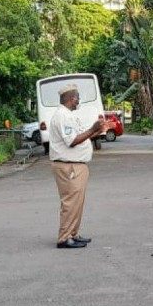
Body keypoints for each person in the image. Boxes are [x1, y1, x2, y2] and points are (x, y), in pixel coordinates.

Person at [48, 84, 105, 250]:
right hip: (69, 166)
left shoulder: (69, 115)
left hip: (76, 165)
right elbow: (72, 141)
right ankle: (64, 237)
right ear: (70, 98)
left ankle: (73, 234)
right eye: (77, 97)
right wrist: (92, 129)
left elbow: (81, 136)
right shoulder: (62, 116)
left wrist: (97, 130)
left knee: (77, 202)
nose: (78, 100)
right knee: (70, 202)